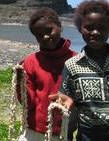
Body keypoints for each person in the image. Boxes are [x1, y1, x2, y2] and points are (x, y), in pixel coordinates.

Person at [50, 0, 109, 141]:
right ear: (80, 29)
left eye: (101, 27)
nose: (95, 32)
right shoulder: (72, 66)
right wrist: (67, 135)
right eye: (89, 27)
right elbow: (69, 109)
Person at [16, 7, 77, 141]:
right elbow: (28, 103)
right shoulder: (31, 62)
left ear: (60, 26)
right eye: (39, 34)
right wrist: (20, 84)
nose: (45, 36)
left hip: (63, 131)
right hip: (33, 130)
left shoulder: (76, 60)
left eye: (49, 30)